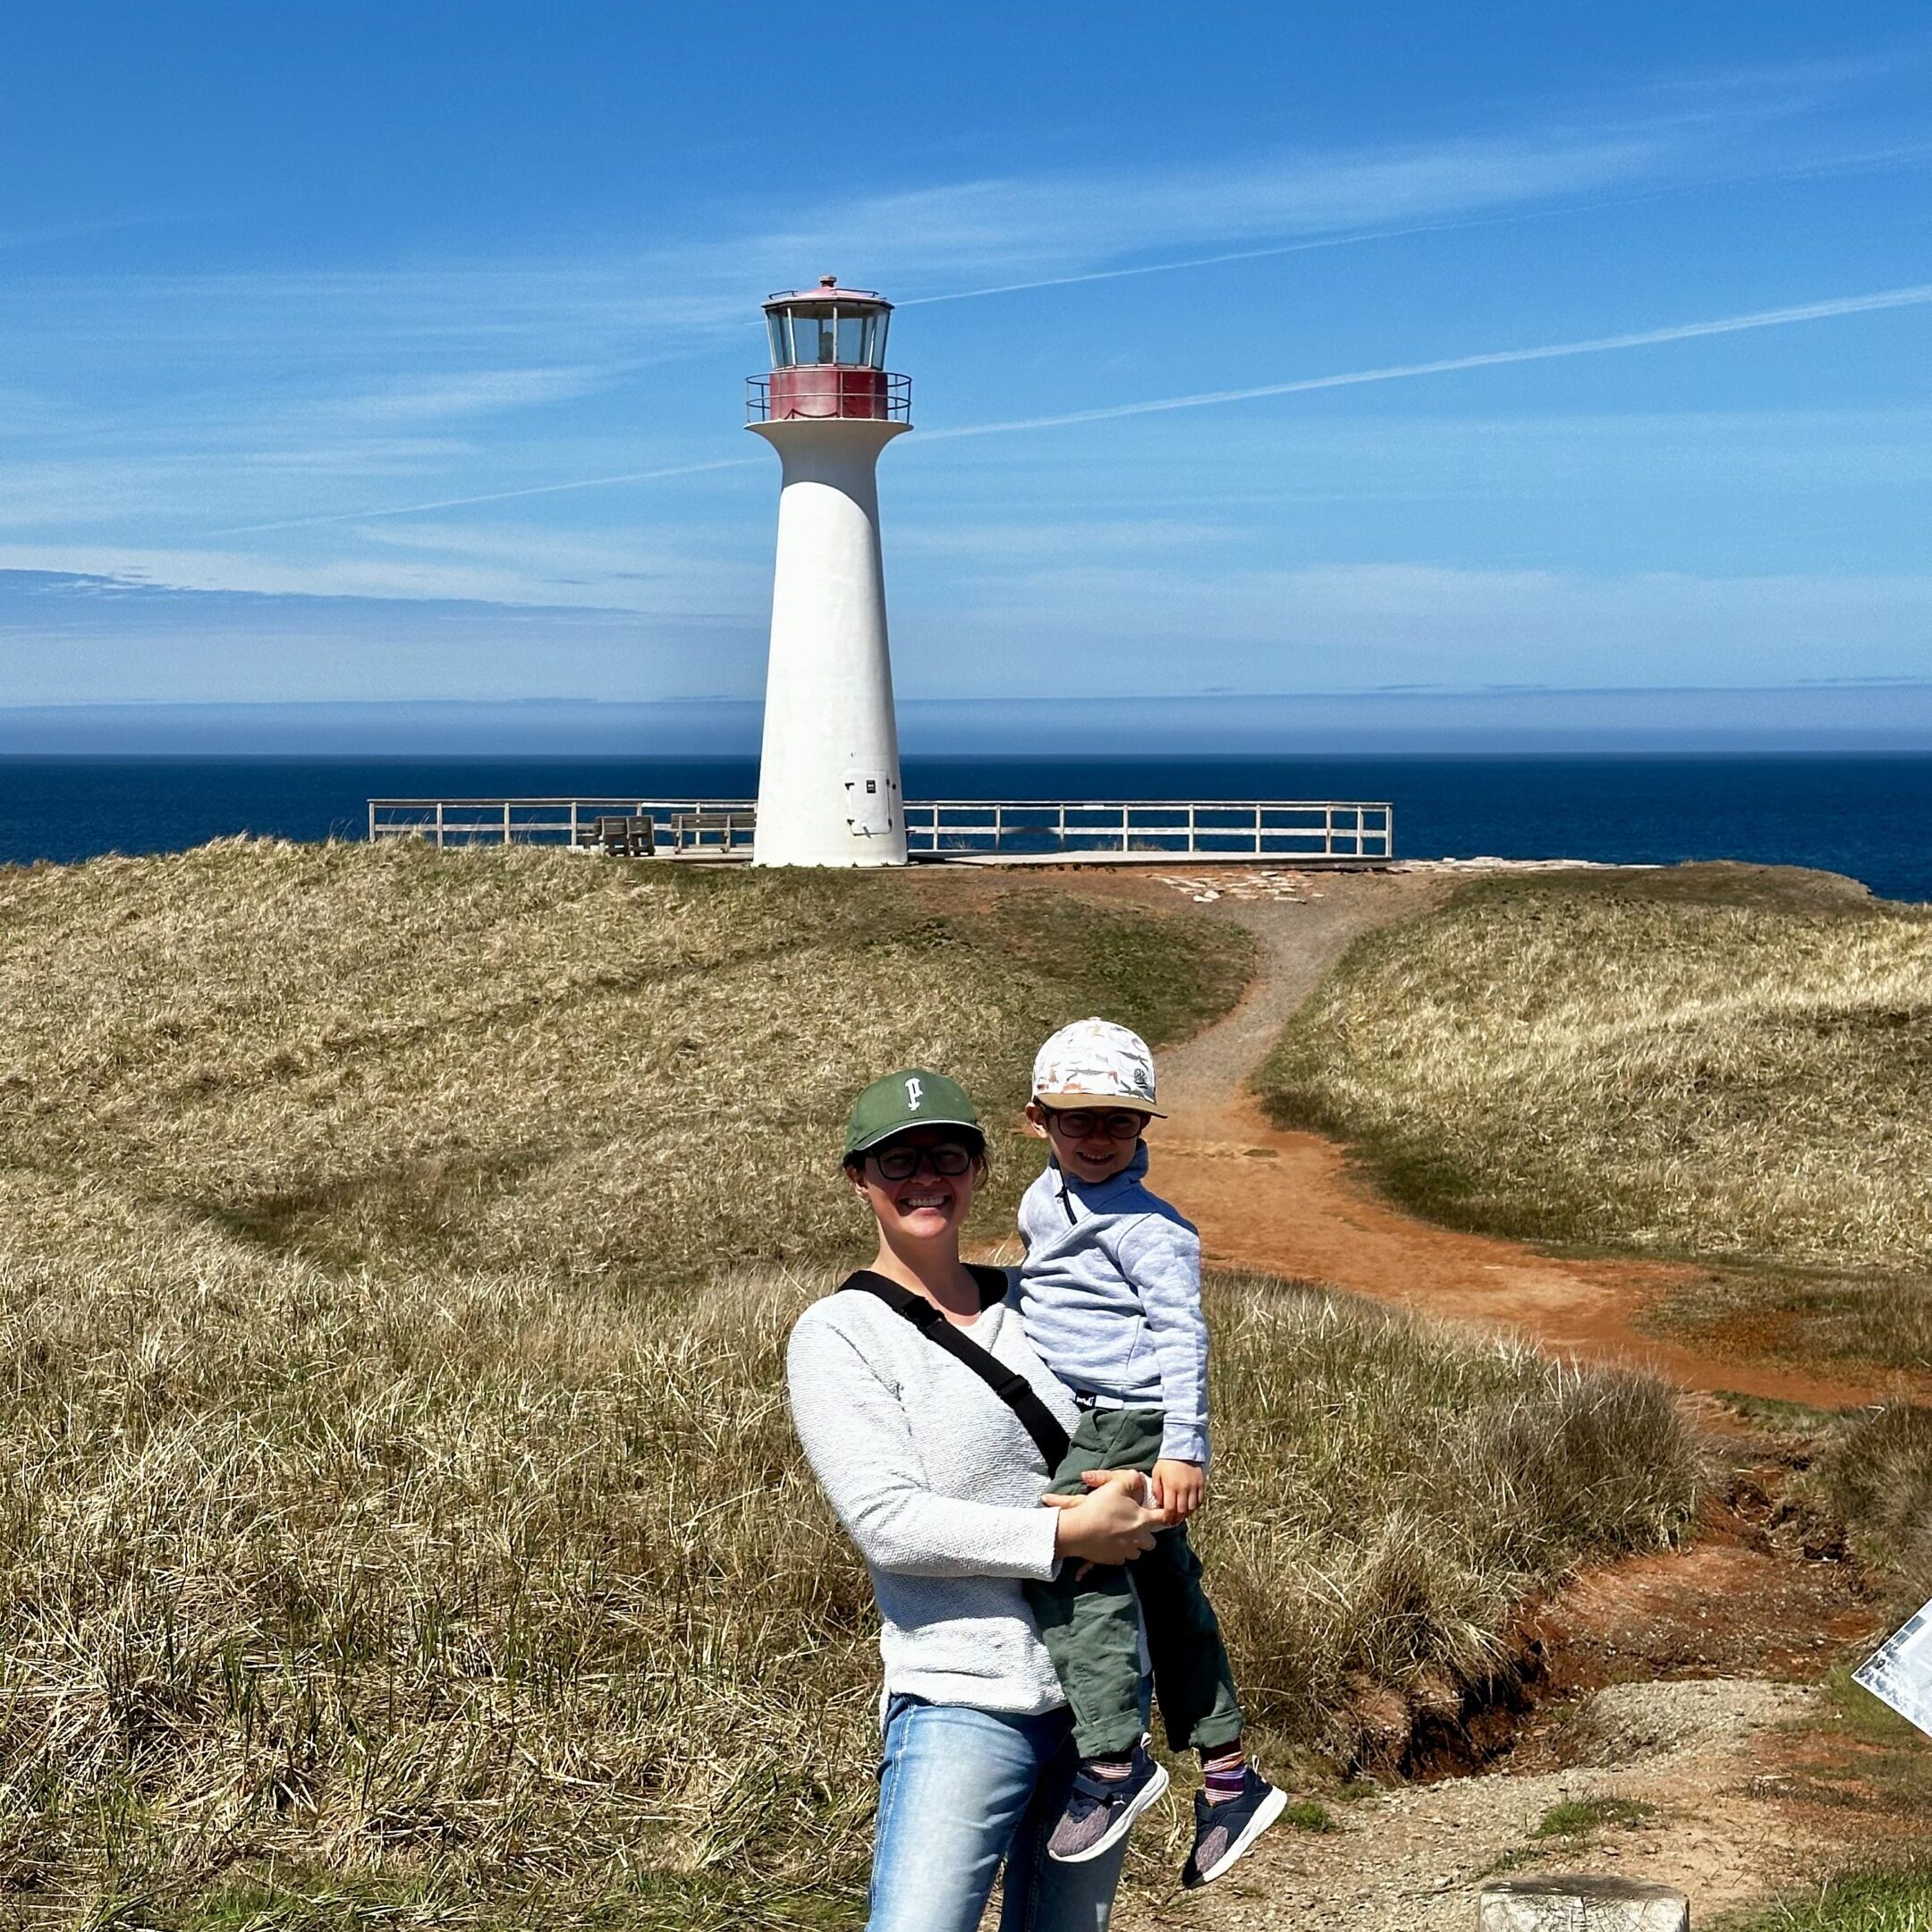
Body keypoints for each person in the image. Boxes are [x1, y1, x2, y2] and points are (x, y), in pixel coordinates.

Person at [786, 1067, 1173, 1932]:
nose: (928, 1178)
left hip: (1100, 1702)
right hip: (962, 1698)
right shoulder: (839, 1334)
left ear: (982, 1168)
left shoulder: (1041, 1303)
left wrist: (1139, 1491)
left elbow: (1131, 1415)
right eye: (900, 1161)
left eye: (949, 1156)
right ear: (858, 1176)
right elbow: (888, 1522)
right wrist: (1069, 1532)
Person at [1017, 1018, 1284, 1887]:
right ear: (1038, 1120)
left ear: (1144, 1129)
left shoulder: (1154, 1229)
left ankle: (1110, 1762)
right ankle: (1230, 1779)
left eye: (1118, 1121)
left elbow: (1184, 1339)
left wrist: (1184, 1450)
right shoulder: (1039, 1202)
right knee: (1169, 1592)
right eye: (1077, 1118)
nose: (1097, 1137)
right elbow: (1045, 1292)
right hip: (1079, 1411)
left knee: (1075, 1560)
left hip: (1127, 1419)